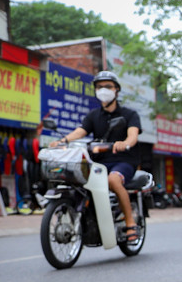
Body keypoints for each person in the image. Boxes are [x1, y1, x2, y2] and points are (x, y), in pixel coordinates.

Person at [55, 71, 141, 241]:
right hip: (98, 162)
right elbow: (81, 131)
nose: (103, 90)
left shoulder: (129, 114)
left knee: (113, 181)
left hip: (123, 160)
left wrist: (124, 143)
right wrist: (63, 140)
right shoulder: (93, 115)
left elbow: (133, 135)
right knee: (75, 180)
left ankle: (130, 223)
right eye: (99, 87)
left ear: (117, 90)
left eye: (108, 86)